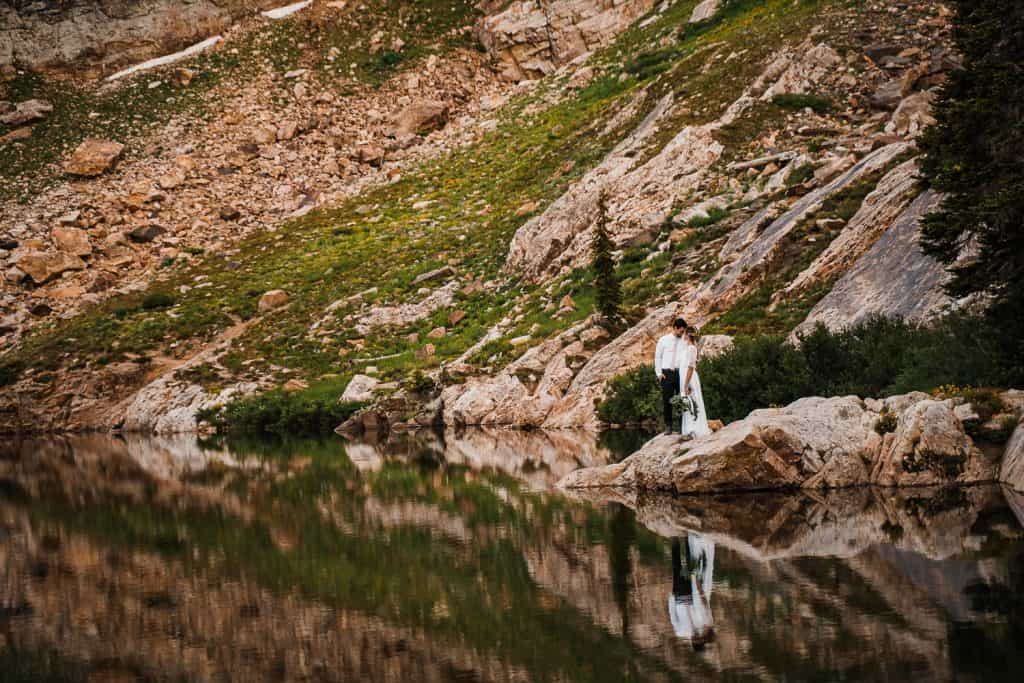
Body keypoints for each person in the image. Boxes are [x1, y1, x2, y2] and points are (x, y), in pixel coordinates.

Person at [668, 533, 716, 649]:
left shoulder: (680, 632)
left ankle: (674, 540)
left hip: (679, 597)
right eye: (700, 639)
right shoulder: (699, 625)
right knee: (690, 567)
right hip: (690, 593)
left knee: (676, 567)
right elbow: (701, 605)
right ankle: (686, 539)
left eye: (697, 640)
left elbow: (673, 617)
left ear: (693, 643)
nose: (698, 638)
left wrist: (671, 598)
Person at [654, 318, 688, 435]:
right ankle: (668, 426)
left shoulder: (684, 341)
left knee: (681, 400)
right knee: (667, 400)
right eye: (680, 331)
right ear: (675, 328)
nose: (682, 333)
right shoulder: (663, 340)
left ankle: (681, 426)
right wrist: (659, 373)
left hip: (680, 373)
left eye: (683, 331)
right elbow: (658, 357)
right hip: (666, 374)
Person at [678, 325, 710, 439]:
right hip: (683, 377)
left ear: (687, 335)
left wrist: (686, 384)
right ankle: (688, 428)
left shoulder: (692, 348)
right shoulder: (686, 347)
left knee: (693, 401)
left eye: (684, 334)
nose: (683, 336)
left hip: (689, 377)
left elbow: (691, 367)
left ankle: (695, 428)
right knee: (687, 402)